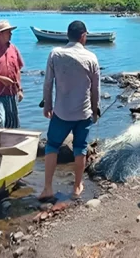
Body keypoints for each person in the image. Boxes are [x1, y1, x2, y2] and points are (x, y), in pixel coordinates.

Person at [39, 20, 101, 200]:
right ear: (83, 36)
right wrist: (96, 110)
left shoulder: (55, 54)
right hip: (84, 113)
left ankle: (48, 188)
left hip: (61, 112)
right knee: (80, 148)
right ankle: (77, 187)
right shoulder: (91, 58)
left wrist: (48, 105)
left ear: (68, 35)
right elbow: (95, 89)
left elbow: (48, 83)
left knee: (52, 145)